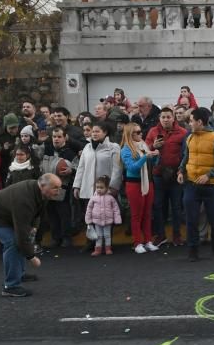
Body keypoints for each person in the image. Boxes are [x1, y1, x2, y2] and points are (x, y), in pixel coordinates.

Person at [0, 173, 62, 296]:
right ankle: (11, 286)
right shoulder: (24, 199)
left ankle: (19, 274)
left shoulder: (39, 191)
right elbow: (21, 233)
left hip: (8, 214)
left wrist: (34, 226)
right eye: (55, 188)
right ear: (42, 186)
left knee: (21, 239)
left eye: (59, 187)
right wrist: (31, 257)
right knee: (12, 243)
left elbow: (38, 210)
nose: (58, 191)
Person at [178, 106, 214, 261]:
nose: (189, 124)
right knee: (191, 219)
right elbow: (186, 158)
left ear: (200, 122)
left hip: (212, 186)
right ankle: (193, 251)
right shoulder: (190, 138)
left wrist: (209, 175)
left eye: (191, 121)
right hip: (191, 185)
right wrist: (181, 171)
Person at [74, 121, 122, 251]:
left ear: (105, 133)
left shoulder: (114, 147)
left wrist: (113, 187)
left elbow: (117, 169)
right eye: (92, 131)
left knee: (107, 216)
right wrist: (77, 186)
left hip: (106, 189)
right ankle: (91, 242)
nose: (94, 134)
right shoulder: (87, 147)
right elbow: (81, 167)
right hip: (88, 188)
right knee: (90, 215)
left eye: (97, 131)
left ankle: (107, 244)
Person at [145, 107, 187, 246]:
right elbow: (144, 150)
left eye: (168, 117)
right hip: (158, 174)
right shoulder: (153, 131)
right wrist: (153, 146)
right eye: (163, 117)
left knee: (176, 206)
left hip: (176, 174)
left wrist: (182, 170)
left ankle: (177, 235)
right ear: (159, 118)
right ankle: (161, 235)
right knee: (157, 205)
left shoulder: (182, 132)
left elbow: (186, 153)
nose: (166, 120)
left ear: (173, 118)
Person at [120, 122, 160, 253]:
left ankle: (148, 241)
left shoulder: (143, 145)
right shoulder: (126, 149)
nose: (140, 134)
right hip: (134, 183)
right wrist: (145, 157)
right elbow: (132, 168)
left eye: (140, 131)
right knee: (137, 215)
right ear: (129, 134)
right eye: (137, 132)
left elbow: (151, 164)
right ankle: (137, 242)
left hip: (148, 181)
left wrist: (155, 156)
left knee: (148, 213)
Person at [85, 175, 122, 256]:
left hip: (108, 220)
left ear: (107, 187)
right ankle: (98, 249)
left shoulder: (111, 198)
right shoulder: (93, 198)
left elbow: (116, 209)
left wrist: (117, 219)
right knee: (98, 236)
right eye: (97, 187)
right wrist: (88, 220)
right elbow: (89, 209)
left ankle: (108, 249)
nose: (99, 189)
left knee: (107, 235)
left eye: (101, 187)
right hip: (97, 221)